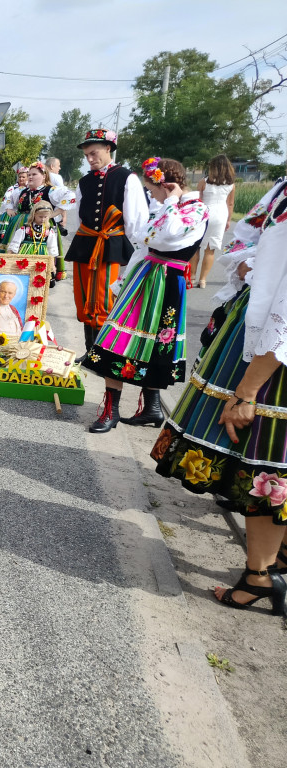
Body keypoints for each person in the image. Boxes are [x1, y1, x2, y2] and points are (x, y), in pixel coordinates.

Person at [151, 176, 287, 616]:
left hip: (273, 356)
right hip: (263, 337)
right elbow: (248, 239)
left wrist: (248, 389)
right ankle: (270, 564)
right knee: (267, 470)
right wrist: (249, 264)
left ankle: (259, 576)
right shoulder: (283, 191)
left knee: (263, 470)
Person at [83, 158, 208, 433]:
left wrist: (172, 201)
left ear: (167, 185)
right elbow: (147, 240)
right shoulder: (167, 206)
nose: (150, 195)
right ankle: (112, 410)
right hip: (145, 276)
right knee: (117, 341)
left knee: (158, 346)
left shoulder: (197, 209)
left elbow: (166, 235)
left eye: (152, 189)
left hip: (167, 282)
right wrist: (122, 281)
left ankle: (151, 407)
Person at [65, 128, 149, 361]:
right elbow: (81, 216)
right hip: (87, 243)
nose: (90, 159)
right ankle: (90, 350)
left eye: (94, 153)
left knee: (104, 297)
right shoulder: (83, 181)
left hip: (111, 243)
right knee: (83, 297)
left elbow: (136, 219)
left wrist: (136, 251)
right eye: (87, 155)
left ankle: (106, 352)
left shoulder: (127, 177)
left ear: (108, 149)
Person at [0, 161, 75, 283]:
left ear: (44, 176)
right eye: (29, 174)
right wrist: (9, 209)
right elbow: (7, 198)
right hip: (21, 225)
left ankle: (43, 277)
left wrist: (54, 214)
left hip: (42, 225)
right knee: (16, 250)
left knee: (43, 252)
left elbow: (70, 196)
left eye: (34, 174)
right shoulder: (22, 191)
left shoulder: (50, 191)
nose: (30, 177)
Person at [189, 154, 235, 289]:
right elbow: (230, 204)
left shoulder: (204, 182)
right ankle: (203, 280)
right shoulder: (231, 185)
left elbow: (198, 200)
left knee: (196, 247)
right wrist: (228, 220)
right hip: (220, 215)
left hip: (204, 214)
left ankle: (192, 276)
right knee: (211, 249)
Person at [0, 166, 28, 244]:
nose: (21, 179)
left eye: (23, 177)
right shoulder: (12, 188)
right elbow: (7, 199)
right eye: (20, 177)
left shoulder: (30, 189)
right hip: (12, 214)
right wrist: (9, 209)